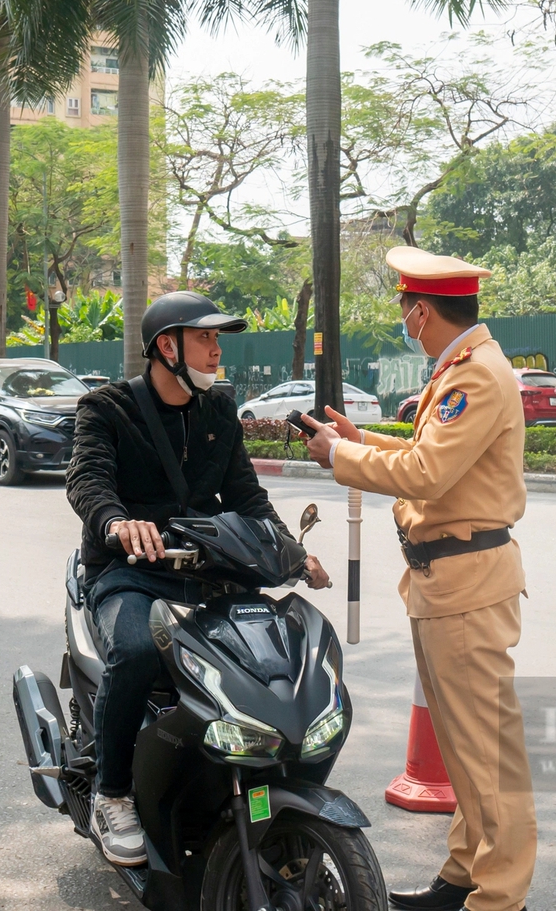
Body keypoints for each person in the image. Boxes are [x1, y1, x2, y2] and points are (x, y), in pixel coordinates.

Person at [304, 246, 537, 911]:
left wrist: (339, 454)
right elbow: (427, 453)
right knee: (467, 750)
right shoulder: (464, 367)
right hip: (447, 582)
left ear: (422, 311)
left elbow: (427, 476)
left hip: (466, 585)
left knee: (489, 758)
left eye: (408, 307)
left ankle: (499, 896)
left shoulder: (477, 377)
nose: (405, 318)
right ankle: (463, 874)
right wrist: (362, 439)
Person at [64, 290, 330, 867]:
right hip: (130, 572)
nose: (216, 351)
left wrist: (289, 551)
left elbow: (246, 497)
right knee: (134, 652)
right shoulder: (107, 409)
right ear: (167, 346)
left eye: (217, 340)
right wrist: (116, 523)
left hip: (208, 568)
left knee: (273, 654)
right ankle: (114, 794)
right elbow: (88, 481)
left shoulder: (218, 412)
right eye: (205, 339)